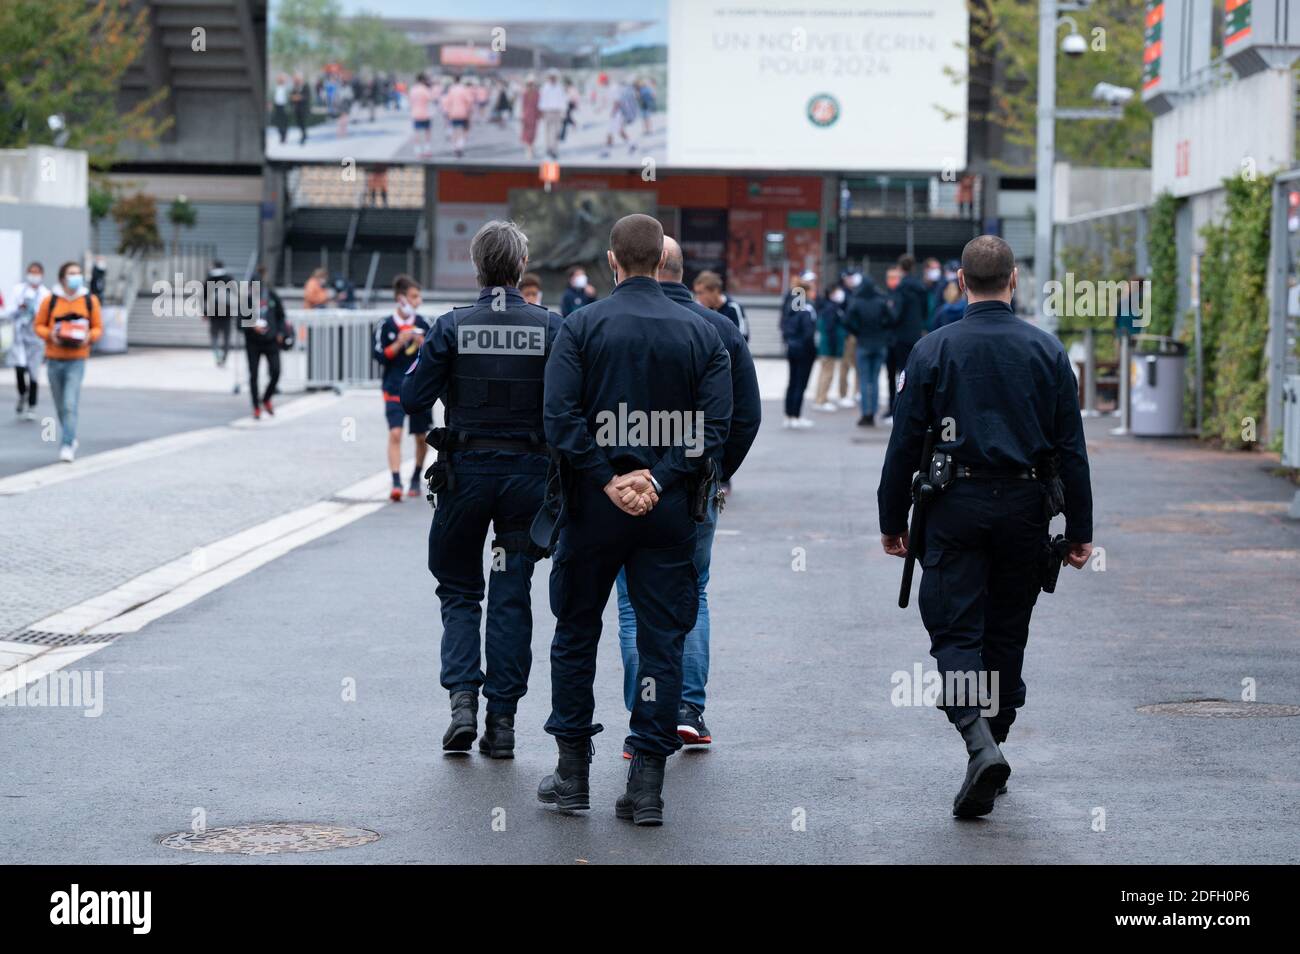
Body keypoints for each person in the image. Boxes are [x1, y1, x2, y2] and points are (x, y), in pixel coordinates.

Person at [877, 235, 1094, 819]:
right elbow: (1072, 450)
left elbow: (904, 444)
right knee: (1005, 634)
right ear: (1014, 280)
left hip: (954, 505)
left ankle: (979, 743)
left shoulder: (931, 349)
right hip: (1025, 505)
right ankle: (991, 751)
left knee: (955, 634)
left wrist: (891, 519)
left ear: (961, 282)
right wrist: (1080, 529)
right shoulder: (1048, 351)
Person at [537, 214, 731, 826]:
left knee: (575, 633)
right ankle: (646, 784)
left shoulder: (581, 326)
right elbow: (714, 428)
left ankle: (572, 776)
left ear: (614, 263)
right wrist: (659, 477)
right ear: (661, 260)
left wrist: (605, 476)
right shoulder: (704, 333)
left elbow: (559, 416)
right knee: (660, 641)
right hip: (667, 511)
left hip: (594, 509)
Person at [402, 222, 562, 759]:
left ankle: (463, 702)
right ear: (519, 268)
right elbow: (568, 406)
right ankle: (503, 723)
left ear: (477, 268)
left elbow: (413, 398)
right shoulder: (550, 326)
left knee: (460, 589)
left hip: (465, 473)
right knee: (512, 593)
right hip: (527, 479)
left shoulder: (451, 326)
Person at [611, 236, 760, 757]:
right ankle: (688, 710)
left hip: (624, 488)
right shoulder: (717, 328)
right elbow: (745, 416)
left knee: (632, 604)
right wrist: (717, 473)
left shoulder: (605, 320)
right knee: (692, 591)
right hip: (694, 486)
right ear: (679, 268)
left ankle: (646, 716)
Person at [33, 261, 101, 462]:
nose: (75, 276)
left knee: (70, 403)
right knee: (60, 405)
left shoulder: (89, 300)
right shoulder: (50, 300)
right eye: (72, 273)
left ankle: (67, 444)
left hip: (76, 360)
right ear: (62, 277)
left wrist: (89, 336)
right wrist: (50, 335)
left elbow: (98, 327)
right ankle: (69, 434)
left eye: (78, 273)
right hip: (54, 359)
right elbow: (39, 325)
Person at [374, 275, 432, 501]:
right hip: (393, 386)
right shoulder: (385, 325)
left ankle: (416, 475)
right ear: (401, 299)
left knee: (421, 437)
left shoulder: (425, 324)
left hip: (419, 389)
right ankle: (396, 481)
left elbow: (436, 357)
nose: (418, 301)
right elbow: (379, 356)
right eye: (414, 296)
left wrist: (423, 343)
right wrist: (399, 342)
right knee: (395, 433)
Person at [844, 272, 891, 426]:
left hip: (863, 342)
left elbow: (847, 320)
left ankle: (866, 413)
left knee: (864, 380)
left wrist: (857, 332)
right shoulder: (881, 301)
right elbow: (891, 318)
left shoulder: (857, 301)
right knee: (875, 380)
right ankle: (875, 411)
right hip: (879, 343)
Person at [886, 255, 928, 418]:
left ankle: (894, 408)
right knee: (911, 374)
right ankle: (911, 407)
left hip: (899, 336)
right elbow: (925, 310)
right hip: (915, 334)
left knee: (895, 375)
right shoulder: (921, 287)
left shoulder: (900, 288)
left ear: (900, 269)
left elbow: (896, 315)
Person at [7, 262, 49, 421]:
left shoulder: (46, 294)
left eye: (37, 272)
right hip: (20, 335)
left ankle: (32, 405)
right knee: (19, 368)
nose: (34, 275)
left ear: (42, 275)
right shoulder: (19, 290)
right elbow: (9, 311)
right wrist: (20, 308)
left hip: (36, 338)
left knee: (34, 373)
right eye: (31, 272)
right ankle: (22, 394)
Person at [244, 267, 286, 421]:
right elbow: (240, 322)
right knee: (253, 375)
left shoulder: (272, 297)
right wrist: (252, 325)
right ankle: (256, 407)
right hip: (253, 342)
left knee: (276, 371)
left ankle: (266, 398)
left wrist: (281, 333)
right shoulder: (246, 301)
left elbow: (281, 316)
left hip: (271, 341)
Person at [780, 273, 817, 429]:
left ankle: (788, 415)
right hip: (804, 350)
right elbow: (809, 332)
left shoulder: (792, 306)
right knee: (800, 383)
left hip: (792, 347)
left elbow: (785, 327)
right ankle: (796, 415)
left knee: (792, 382)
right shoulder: (807, 308)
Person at [812, 283, 847, 412]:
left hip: (827, 346)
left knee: (824, 373)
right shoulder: (830, 308)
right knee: (827, 374)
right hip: (828, 347)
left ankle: (820, 398)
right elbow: (830, 329)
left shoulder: (830, 307)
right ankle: (821, 399)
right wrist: (833, 348)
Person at [693, 270, 748, 340]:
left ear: (715, 291)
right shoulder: (698, 308)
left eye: (701, 293)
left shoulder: (733, 308)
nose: (698, 297)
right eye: (696, 293)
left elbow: (743, 335)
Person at [203, 260, 234, 367]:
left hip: (214, 313)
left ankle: (217, 356)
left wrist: (205, 313)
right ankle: (224, 357)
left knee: (214, 336)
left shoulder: (209, 278)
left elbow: (204, 297)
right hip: (227, 312)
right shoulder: (229, 277)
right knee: (226, 337)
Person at [441, 74, 474, 158]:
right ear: (460, 80)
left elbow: (447, 102)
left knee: (455, 130)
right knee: (462, 131)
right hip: (463, 112)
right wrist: (469, 110)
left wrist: (447, 111)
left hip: (453, 112)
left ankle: (455, 148)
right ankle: (460, 147)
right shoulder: (464, 89)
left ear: (454, 80)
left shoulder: (451, 90)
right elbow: (469, 101)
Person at [538, 70, 567, 159]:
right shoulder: (545, 87)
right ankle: (548, 148)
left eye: (554, 77)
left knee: (556, 132)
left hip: (557, 112)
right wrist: (541, 112)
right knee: (547, 131)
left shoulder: (559, 87)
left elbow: (563, 100)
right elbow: (542, 100)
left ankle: (554, 149)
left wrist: (563, 112)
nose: (552, 79)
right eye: (551, 77)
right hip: (547, 112)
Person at [409, 73, 435, 159]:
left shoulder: (413, 89)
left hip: (415, 113)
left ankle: (418, 151)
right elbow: (430, 99)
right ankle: (427, 150)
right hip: (425, 113)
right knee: (427, 132)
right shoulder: (425, 89)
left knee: (417, 133)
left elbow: (410, 101)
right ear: (423, 80)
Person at [520, 74, 540, 159]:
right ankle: (529, 150)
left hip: (533, 116)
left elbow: (539, 105)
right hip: (528, 116)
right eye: (530, 84)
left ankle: (531, 149)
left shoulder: (537, 94)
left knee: (533, 133)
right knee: (528, 134)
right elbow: (522, 105)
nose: (531, 86)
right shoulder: (526, 94)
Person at [290, 73, 311, 145]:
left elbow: (307, 96)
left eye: (297, 79)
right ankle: (303, 135)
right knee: (299, 123)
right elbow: (292, 97)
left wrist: (299, 97)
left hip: (304, 109)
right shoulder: (295, 87)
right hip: (297, 109)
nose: (296, 81)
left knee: (303, 123)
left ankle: (304, 136)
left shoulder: (306, 86)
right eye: (295, 79)